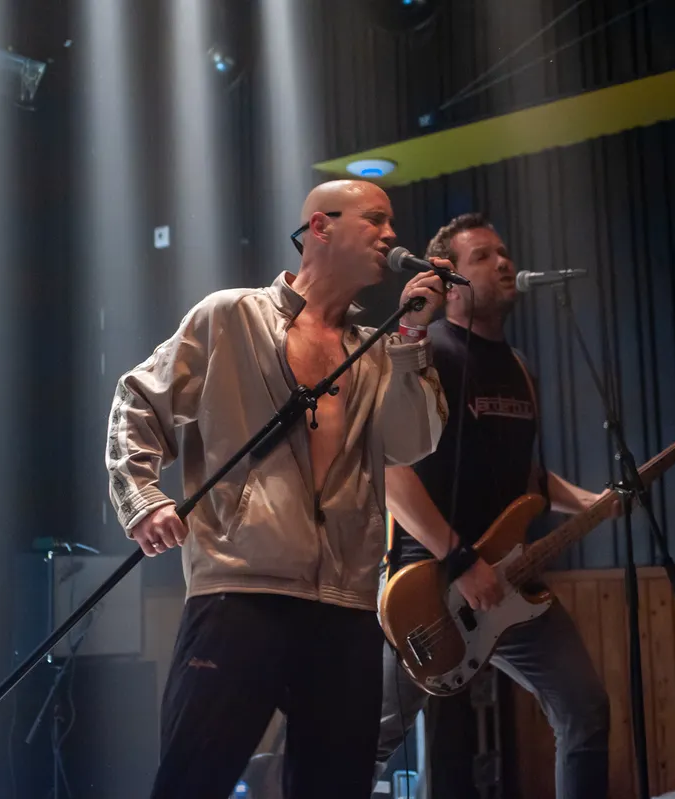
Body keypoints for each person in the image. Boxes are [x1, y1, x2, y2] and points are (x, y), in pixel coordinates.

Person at [104, 179, 451, 799]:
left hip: (345, 604)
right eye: (375, 220)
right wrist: (142, 499)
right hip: (241, 592)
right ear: (320, 227)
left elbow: (413, 441)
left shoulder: (374, 351)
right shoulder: (230, 316)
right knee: (193, 780)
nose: (392, 235)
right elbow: (137, 401)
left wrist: (412, 338)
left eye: (392, 223)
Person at [375, 213, 613, 798]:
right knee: (372, 736)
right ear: (450, 281)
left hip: (506, 580)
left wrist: (593, 502)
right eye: (482, 256)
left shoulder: (520, 369)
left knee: (585, 710)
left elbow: (525, 475)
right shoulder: (426, 353)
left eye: (503, 252)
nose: (503, 263)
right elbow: (391, 473)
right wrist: (459, 560)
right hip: (430, 581)